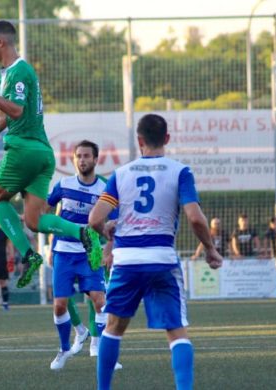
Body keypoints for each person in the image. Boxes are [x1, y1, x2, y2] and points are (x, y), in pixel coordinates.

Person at [88, 114, 223, 390]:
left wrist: (107, 231)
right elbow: (196, 218)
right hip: (161, 259)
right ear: (167, 139)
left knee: (113, 328)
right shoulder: (179, 172)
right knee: (176, 332)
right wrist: (210, 249)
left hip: (126, 262)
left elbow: (94, 219)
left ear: (139, 141)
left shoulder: (121, 174)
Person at [0, 20, 101, 289]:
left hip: (23, 150)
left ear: (1, 42)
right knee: (34, 221)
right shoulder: (7, 73)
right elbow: (4, 120)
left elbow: (15, 111)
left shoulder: (19, 71)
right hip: (42, 153)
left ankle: (30, 256)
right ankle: (83, 233)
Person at [45, 140, 121, 370]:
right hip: (64, 253)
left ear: (96, 160)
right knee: (59, 305)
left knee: (100, 301)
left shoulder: (106, 188)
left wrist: (109, 249)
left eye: (87, 156)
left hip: (91, 253)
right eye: (78, 156)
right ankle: (64, 349)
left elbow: (113, 224)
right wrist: (50, 244)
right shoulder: (63, 184)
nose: (82, 160)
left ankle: (101, 349)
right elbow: (47, 214)